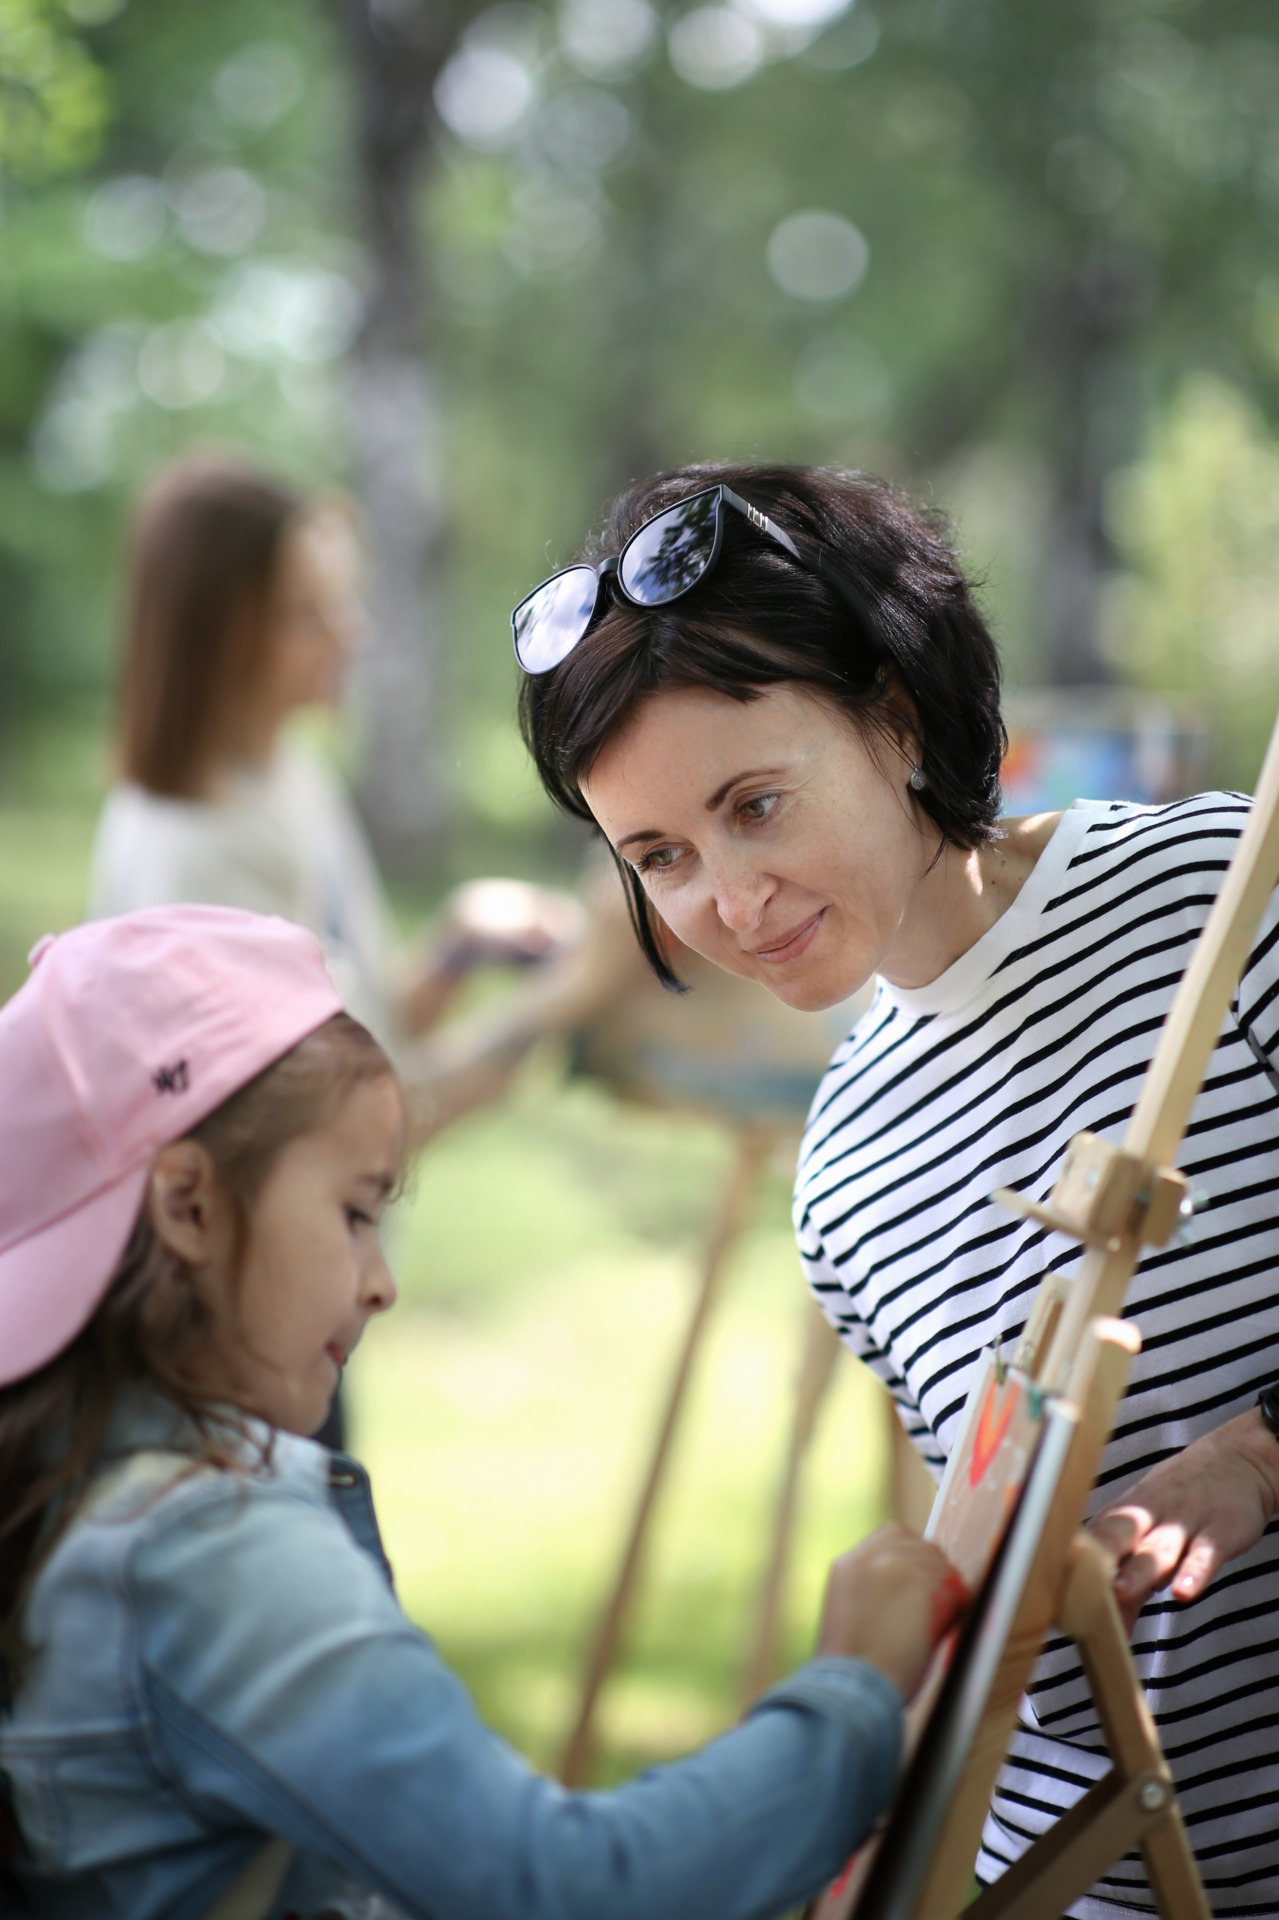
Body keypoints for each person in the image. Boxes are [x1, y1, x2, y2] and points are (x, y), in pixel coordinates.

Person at [512, 462, 1279, 1919]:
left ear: (894, 715)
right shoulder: (842, 1175)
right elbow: (993, 1551)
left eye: (753, 805)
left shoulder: (1224, 902)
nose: (725, 901)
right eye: (658, 856)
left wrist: (1255, 1458)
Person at [0, 905, 964, 1920]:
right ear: (188, 1205)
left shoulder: (63, 1485)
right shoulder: (203, 1550)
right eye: (355, 1211)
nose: (380, 1284)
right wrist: (856, 1684)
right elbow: (568, 1892)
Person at [87, 453, 581, 1054]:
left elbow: (370, 1022)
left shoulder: (290, 770)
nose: (352, 633)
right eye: (306, 614)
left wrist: (463, 937)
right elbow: (350, 1125)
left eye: (342, 600)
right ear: (216, 636)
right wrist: (568, 1000)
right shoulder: (197, 861)